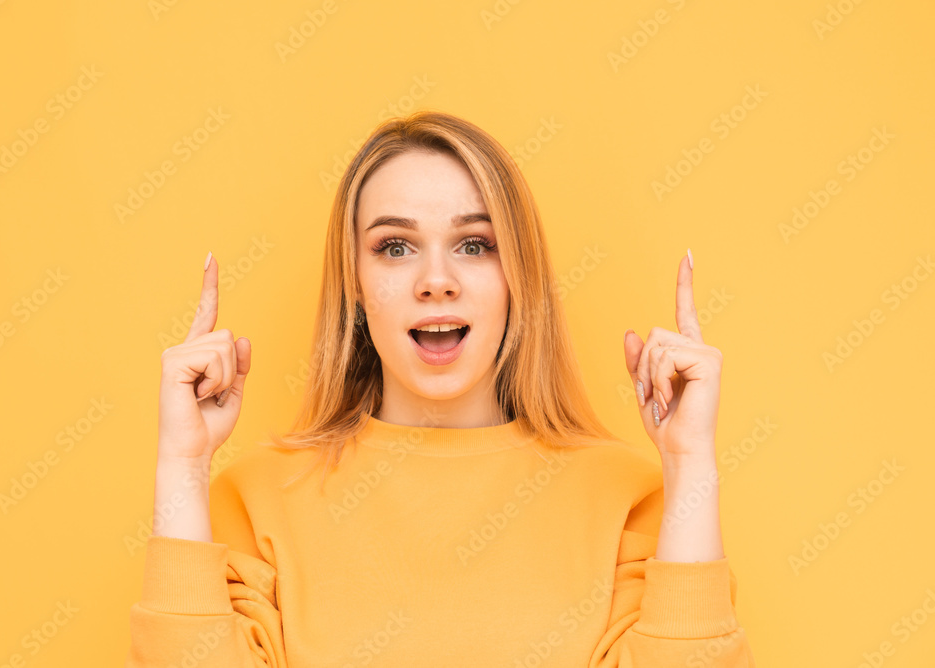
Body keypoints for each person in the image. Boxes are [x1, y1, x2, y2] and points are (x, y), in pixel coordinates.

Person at [125, 110, 756, 666]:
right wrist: (182, 467)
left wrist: (688, 462)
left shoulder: (627, 497)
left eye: (475, 244)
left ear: (518, 278)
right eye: (395, 247)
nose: (436, 280)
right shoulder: (256, 497)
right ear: (354, 281)